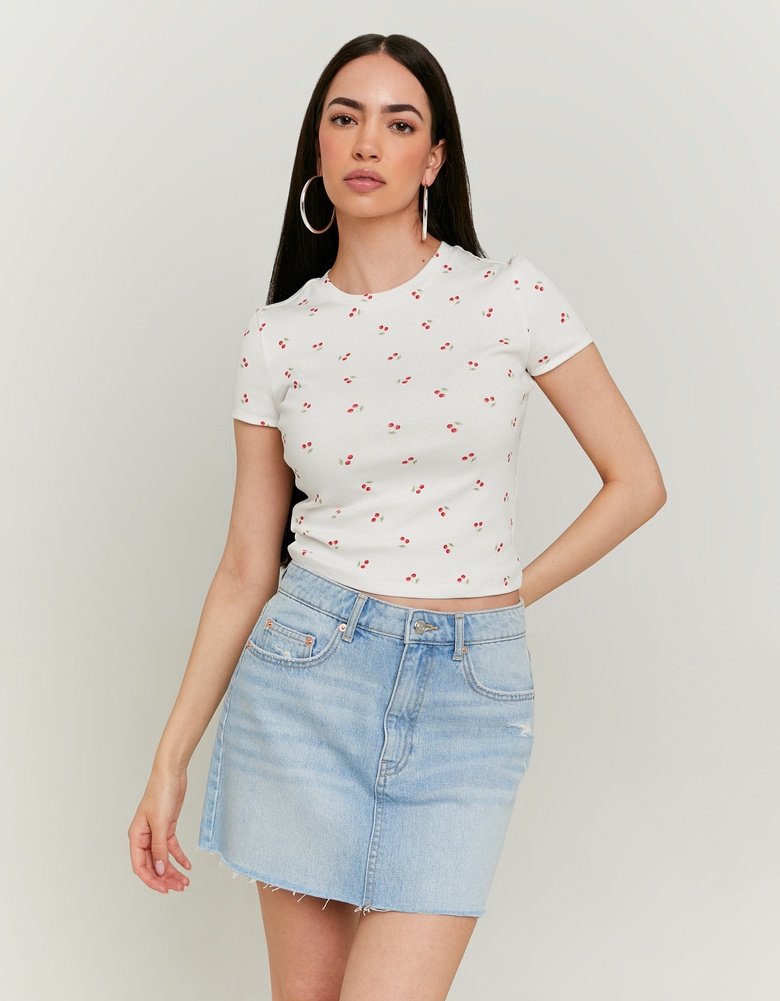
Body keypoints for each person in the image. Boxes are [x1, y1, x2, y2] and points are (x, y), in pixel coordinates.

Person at [128, 32, 666, 1000]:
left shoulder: (509, 296)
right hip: (307, 679)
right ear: (319, 149)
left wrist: (503, 596)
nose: (368, 141)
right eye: (345, 118)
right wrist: (170, 760)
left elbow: (636, 480)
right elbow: (247, 564)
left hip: (471, 691)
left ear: (434, 158)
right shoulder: (279, 336)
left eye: (399, 121)